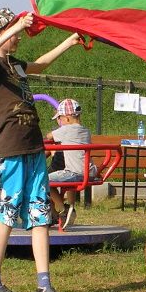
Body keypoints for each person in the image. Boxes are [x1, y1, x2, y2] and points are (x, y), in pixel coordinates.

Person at [0, 8, 82, 292]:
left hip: (33, 148)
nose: (19, 36)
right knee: (6, 217)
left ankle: (44, 286)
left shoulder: (15, 65)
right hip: (9, 150)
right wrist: (14, 27)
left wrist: (69, 42)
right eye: (13, 32)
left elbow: (41, 64)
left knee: (40, 216)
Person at [45, 98, 96, 228]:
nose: (60, 122)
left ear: (67, 118)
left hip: (74, 172)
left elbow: (49, 136)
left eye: (60, 119)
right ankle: (62, 211)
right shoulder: (86, 131)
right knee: (54, 178)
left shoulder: (65, 130)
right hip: (89, 172)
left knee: (42, 180)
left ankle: (63, 209)